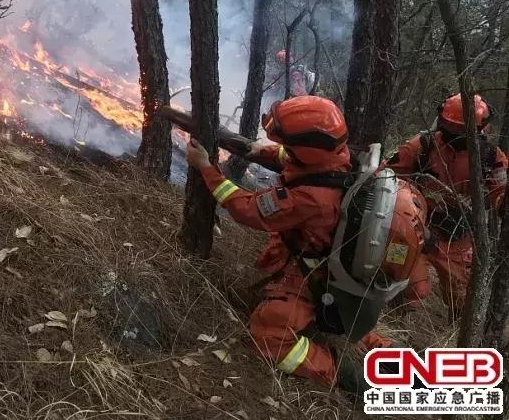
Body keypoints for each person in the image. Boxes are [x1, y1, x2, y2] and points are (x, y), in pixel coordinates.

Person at [186, 95, 390, 394]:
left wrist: (206, 168)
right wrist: (255, 149)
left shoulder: (310, 200)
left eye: (289, 144)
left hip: (312, 277)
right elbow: (290, 159)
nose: (285, 149)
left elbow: (248, 209)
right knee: (348, 318)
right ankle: (382, 348)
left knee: (269, 334)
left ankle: (345, 375)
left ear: (305, 149)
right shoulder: (340, 157)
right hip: (332, 268)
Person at [386, 93, 507, 319]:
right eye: (449, 127)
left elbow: (500, 193)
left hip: (458, 238)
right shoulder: (423, 146)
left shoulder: (490, 157)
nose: (452, 133)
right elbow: (386, 176)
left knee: (462, 302)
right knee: (406, 284)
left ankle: (456, 332)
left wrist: (502, 204)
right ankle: (396, 321)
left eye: (458, 130)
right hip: (417, 232)